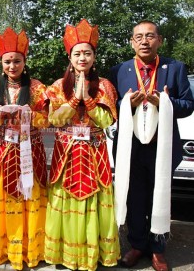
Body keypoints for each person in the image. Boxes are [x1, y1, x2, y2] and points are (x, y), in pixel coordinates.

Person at [110, 20, 194, 271]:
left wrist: (165, 102)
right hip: (131, 147)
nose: (144, 41)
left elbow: (188, 105)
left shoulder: (175, 68)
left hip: (162, 147)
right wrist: (129, 105)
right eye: (138, 37)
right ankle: (136, 245)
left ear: (160, 40)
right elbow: (108, 106)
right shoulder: (119, 71)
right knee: (134, 197)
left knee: (159, 196)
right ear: (131, 42)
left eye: (150, 36)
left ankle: (158, 250)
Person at [44, 19, 120, 270]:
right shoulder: (57, 86)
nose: (82, 57)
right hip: (65, 153)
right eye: (77, 53)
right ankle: (65, 254)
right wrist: (74, 98)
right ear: (70, 57)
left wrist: (87, 100)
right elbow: (53, 120)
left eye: (87, 53)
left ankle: (92, 254)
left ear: (94, 56)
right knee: (64, 199)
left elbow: (108, 120)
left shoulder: (105, 86)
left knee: (94, 202)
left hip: (93, 152)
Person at [0, 28, 49, 270]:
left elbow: (47, 119)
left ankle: (30, 250)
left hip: (31, 150)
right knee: (4, 198)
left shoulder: (38, 88)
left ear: (25, 61)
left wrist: (28, 115)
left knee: (30, 195)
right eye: (7, 61)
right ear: (2, 62)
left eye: (17, 61)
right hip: (4, 151)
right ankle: (3, 247)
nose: (12, 66)